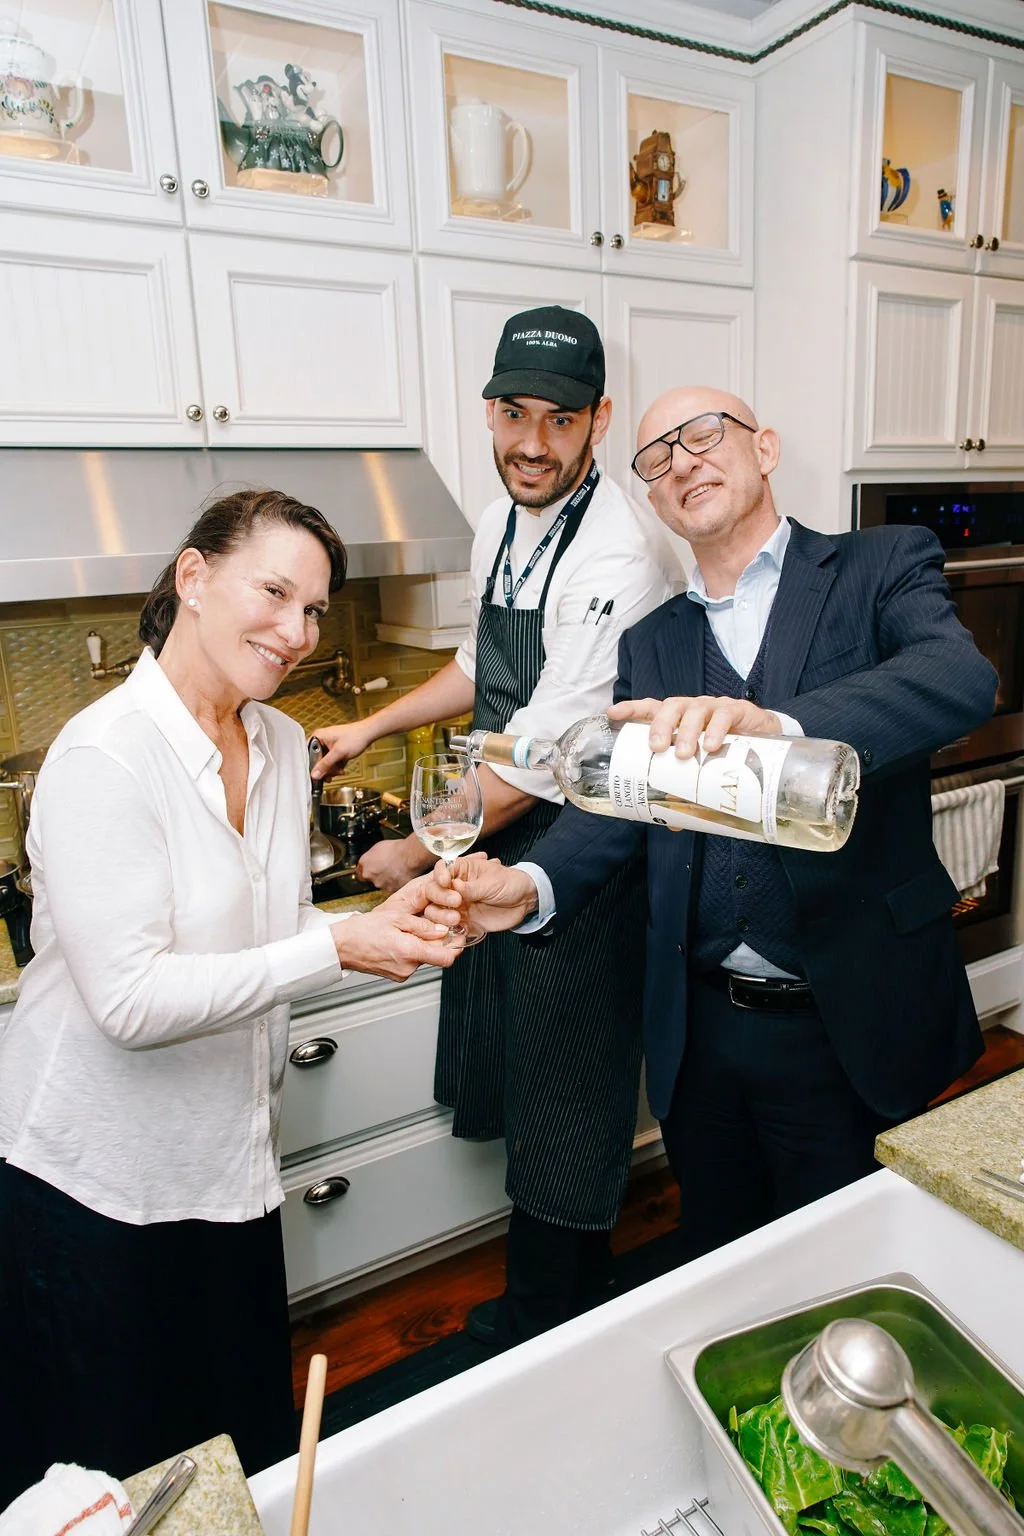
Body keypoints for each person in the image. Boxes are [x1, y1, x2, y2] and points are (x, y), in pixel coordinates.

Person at [424, 384, 998, 1269]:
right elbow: (623, 802)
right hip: (702, 1033)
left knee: (853, 1270)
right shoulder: (651, 641)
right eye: (656, 458)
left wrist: (781, 726)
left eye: (702, 436)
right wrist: (530, 886)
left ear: (765, 449)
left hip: (849, 1015)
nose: (681, 462)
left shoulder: (878, 564)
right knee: (721, 1263)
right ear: (655, 500)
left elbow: (961, 679)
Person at [0, 490, 463, 1506]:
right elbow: (129, 1001)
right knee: (115, 1489)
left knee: (239, 1454)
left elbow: (267, 926)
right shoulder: (104, 755)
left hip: (229, 1168)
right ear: (194, 577)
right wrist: (336, 945)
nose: (298, 632)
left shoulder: (285, 743)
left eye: (314, 609)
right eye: (275, 593)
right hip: (97, 1190)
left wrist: (380, 926)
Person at [312, 308, 681, 1347]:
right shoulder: (499, 522)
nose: (531, 442)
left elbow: (541, 754)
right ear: (489, 413)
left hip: (581, 852)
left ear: (598, 420)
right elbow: (482, 669)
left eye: (559, 420)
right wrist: (370, 725)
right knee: (525, 1067)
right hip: (498, 838)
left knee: (569, 1085)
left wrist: (417, 845)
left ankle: (547, 1316)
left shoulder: (619, 557)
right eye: (514, 414)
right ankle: (570, 1298)